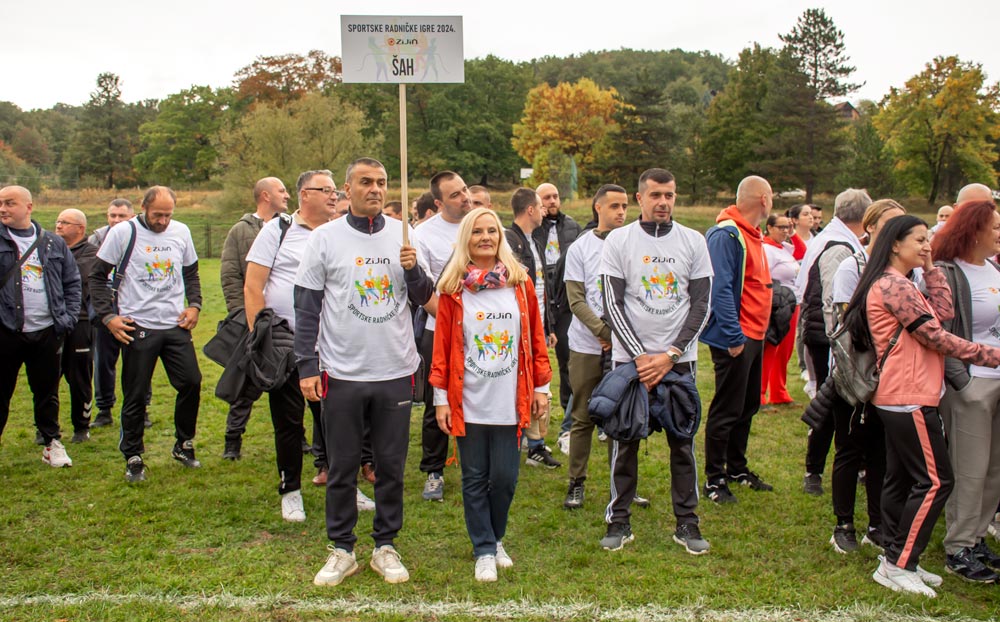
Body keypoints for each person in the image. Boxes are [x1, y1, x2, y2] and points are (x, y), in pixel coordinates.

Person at [839, 215, 1000, 597]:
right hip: (907, 396)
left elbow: (942, 312)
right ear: (895, 244)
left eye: (929, 239)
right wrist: (990, 355)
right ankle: (900, 564)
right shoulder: (893, 285)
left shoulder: (903, 281)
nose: (927, 245)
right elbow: (935, 335)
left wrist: (929, 268)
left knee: (901, 479)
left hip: (906, 394)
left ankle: (894, 557)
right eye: (919, 240)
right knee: (936, 481)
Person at [296, 158, 433, 587]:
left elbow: (426, 298)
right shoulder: (324, 238)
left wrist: (413, 269)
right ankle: (342, 548)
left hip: (394, 369)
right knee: (342, 466)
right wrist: (306, 365)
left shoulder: (404, 235)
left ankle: (385, 545)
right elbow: (306, 306)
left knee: (391, 466)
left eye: (382, 182)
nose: (375, 189)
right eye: (366, 182)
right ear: (347, 188)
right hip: (342, 370)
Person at [243, 171, 374, 523]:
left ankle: (346, 487)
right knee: (288, 422)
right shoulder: (278, 230)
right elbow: (253, 285)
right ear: (304, 194)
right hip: (286, 344)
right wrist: (261, 337)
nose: (334, 196)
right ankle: (290, 491)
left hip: (333, 345)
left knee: (338, 421)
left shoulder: (341, 232)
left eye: (335, 191)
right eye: (325, 190)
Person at [430, 207, 552, 581]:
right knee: (474, 477)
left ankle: (496, 537)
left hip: (510, 399)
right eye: (477, 231)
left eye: (492, 231)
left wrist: (541, 387)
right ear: (465, 238)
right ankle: (484, 547)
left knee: (504, 478)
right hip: (468, 399)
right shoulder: (453, 290)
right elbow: (441, 348)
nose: (485, 237)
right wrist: (441, 399)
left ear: (500, 237)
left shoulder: (520, 284)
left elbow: (535, 339)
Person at [599, 168, 713, 553]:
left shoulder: (693, 240)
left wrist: (671, 354)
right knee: (624, 440)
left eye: (669, 195)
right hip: (630, 363)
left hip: (679, 362)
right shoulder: (619, 240)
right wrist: (641, 357)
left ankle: (688, 523)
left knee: (683, 444)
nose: (663, 202)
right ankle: (619, 520)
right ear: (640, 198)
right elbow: (612, 304)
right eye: (655, 195)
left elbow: (702, 304)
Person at [89, 186, 203, 483]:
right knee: (136, 393)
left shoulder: (181, 231)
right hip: (138, 325)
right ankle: (133, 455)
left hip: (175, 324)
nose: (162, 221)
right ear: (143, 208)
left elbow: (191, 272)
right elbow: (97, 277)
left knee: (191, 382)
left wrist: (194, 304)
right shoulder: (123, 232)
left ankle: (183, 443)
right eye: (157, 215)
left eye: (168, 215)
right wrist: (109, 317)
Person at [825, 199, 906, 553]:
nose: (896, 232)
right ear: (870, 226)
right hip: (854, 374)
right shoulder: (852, 266)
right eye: (889, 224)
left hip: (893, 375)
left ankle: (877, 525)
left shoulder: (904, 271)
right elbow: (846, 323)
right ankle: (843, 524)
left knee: (880, 453)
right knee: (849, 448)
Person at [932, 199, 1000, 583]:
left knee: (994, 469)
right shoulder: (947, 273)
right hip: (972, 384)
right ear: (973, 231)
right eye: (995, 227)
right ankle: (958, 548)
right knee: (970, 470)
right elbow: (939, 334)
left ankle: (976, 538)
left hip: (997, 379)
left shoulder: (993, 268)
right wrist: (963, 382)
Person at [701, 176, 774, 503]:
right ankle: (714, 478)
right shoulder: (727, 234)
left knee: (747, 405)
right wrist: (733, 335)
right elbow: (720, 289)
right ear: (764, 199)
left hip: (755, 335)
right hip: (737, 337)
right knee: (727, 408)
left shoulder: (752, 234)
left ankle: (737, 468)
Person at [795, 189, 871, 496]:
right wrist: (837, 341)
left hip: (824, 332)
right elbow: (832, 300)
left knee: (836, 403)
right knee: (830, 403)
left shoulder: (832, 237)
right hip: (828, 337)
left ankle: (853, 464)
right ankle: (814, 470)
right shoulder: (838, 246)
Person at [0, 185, 81, 467]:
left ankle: (51, 443)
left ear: (28, 206)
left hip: (47, 331)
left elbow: (72, 282)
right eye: (0, 203)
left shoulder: (52, 243)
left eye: (10, 203)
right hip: (6, 331)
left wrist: (68, 318)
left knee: (47, 393)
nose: (3, 209)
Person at [563, 184, 628, 509]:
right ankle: (576, 482)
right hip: (586, 346)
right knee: (583, 415)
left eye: (625, 206)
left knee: (623, 417)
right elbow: (576, 300)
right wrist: (603, 331)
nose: (621, 212)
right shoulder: (581, 247)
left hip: (625, 346)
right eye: (614, 206)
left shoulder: (631, 244)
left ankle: (623, 485)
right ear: (598, 207)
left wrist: (619, 336)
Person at [219, 176, 290, 460]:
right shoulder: (241, 230)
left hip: (284, 323)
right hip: (253, 321)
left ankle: (297, 439)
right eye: (281, 190)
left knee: (290, 384)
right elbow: (230, 274)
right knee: (246, 385)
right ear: (265, 195)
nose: (287, 195)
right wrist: (243, 316)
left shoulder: (291, 227)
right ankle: (232, 440)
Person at [414, 170, 472, 502]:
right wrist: (454, 322)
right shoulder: (424, 234)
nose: (465, 197)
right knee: (437, 400)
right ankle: (433, 471)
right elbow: (422, 290)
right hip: (440, 330)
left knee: (477, 396)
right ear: (438, 203)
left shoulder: (480, 224)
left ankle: (476, 466)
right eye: (455, 195)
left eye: (464, 190)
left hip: (482, 331)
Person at [505, 188, 560, 469]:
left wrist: (548, 326)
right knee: (521, 385)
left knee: (540, 382)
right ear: (530, 210)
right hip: (517, 329)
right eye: (540, 206)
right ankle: (523, 441)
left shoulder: (535, 242)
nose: (544, 210)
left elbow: (542, 290)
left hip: (536, 326)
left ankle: (535, 444)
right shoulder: (508, 241)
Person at [534, 182, 581, 420]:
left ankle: (569, 410)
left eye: (555, 196)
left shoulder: (572, 226)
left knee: (567, 357)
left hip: (564, 299)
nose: (552, 201)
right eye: (546, 198)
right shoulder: (533, 228)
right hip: (542, 295)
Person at [90, 198, 137, 429]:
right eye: (112, 215)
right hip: (106, 305)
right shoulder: (97, 239)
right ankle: (104, 409)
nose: (116, 220)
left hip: (133, 304)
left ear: (132, 217)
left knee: (138, 359)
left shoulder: (140, 237)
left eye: (122, 216)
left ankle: (140, 408)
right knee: (103, 360)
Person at [54, 208, 98, 443]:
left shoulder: (91, 252)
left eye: (65, 222)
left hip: (80, 321)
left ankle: (81, 426)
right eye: (58, 221)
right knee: (48, 376)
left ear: (80, 228)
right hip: (52, 320)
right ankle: (46, 428)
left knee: (79, 376)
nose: (58, 225)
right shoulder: (50, 248)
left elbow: (75, 276)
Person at [760, 213, 799, 406]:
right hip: (777, 304)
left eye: (788, 227)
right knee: (771, 348)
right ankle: (760, 393)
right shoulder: (767, 249)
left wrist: (794, 233)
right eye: (781, 227)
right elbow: (763, 276)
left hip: (791, 303)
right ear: (769, 228)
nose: (785, 231)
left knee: (784, 351)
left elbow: (803, 251)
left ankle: (778, 391)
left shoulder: (782, 248)